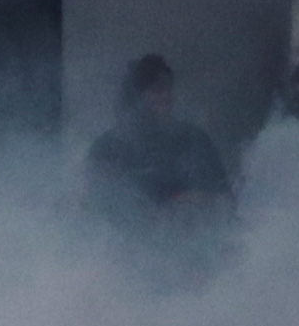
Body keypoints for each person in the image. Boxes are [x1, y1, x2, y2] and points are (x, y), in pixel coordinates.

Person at [83, 49, 239, 256]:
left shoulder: (192, 139)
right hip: (126, 258)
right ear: (136, 97)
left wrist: (183, 203)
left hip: (189, 252)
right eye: (157, 90)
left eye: (168, 89)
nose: (166, 97)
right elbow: (94, 209)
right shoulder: (107, 148)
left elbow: (224, 201)